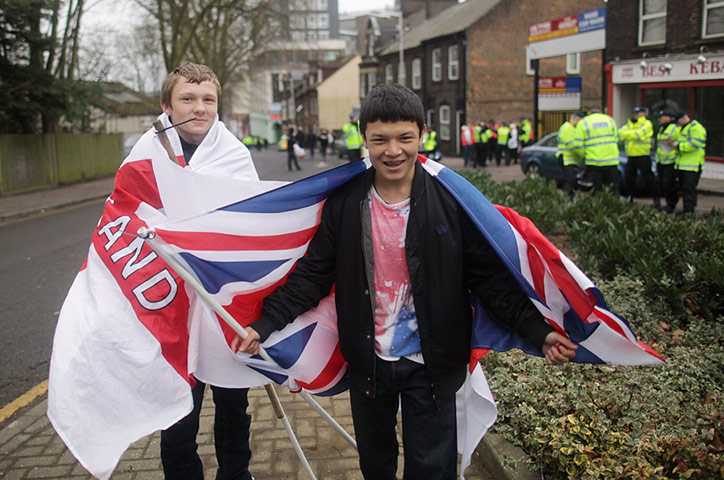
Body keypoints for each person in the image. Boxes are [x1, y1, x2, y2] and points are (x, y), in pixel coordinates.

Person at [233, 83, 577, 479]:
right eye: (379, 139)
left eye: (404, 138)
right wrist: (265, 323)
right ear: (364, 139)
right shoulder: (345, 203)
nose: (392, 150)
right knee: (376, 466)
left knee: (432, 468)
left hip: (432, 363)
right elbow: (312, 274)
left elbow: (489, 279)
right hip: (368, 363)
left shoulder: (450, 201)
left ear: (422, 135)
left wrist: (537, 331)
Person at [157, 62, 257, 480]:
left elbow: (254, 225)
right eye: (187, 98)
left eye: (208, 100)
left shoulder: (236, 156)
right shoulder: (147, 156)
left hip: (222, 302)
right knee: (179, 408)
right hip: (171, 304)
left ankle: (236, 474)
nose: (199, 108)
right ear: (166, 105)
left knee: (234, 405)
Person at [573, 105, 620, 195]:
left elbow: (578, 145)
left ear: (589, 113)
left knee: (597, 190)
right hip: (611, 161)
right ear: (601, 112)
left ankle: (599, 207)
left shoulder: (584, 122)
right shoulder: (610, 120)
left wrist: (584, 156)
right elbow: (616, 138)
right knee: (613, 189)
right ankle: (614, 207)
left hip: (594, 162)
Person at [619, 106, 658, 207]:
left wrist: (629, 134)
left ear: (643, 113)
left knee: (649, 179)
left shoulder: (647, 124)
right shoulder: (630, 123)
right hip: (631, 156)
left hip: (643, 156)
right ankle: (630, 199)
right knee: (629, 179)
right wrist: (631, 134)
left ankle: (656, 201)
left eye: (638, 113)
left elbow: (638, 135)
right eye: (635, 113)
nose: (636, 115)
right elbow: (620, 134)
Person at [671, 110, 707, 214]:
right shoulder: (682, 128)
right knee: (683, 188)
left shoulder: (696, 128)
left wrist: (678, 146)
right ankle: (686, 209)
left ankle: (689, 210)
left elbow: (695, 144)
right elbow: (674, 138)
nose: (677, 124)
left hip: (693, 165)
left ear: (684, 118)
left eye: (678, 121)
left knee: (689, 189)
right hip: (682, 164)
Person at [654, 110, 679, 212]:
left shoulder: (674, 128)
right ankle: (667, 204)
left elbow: (678, 142)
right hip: (661, 161)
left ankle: (671, 205)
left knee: (669, 184)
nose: (659, 119)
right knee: (663, 184)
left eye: (661, 117)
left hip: (671, 161)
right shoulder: (661, 128)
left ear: (668, 117)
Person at [557, 112, 585, 200]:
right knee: (569, 180)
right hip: (567, 159)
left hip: (569, 159)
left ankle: (569, 198)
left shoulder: (570, 128)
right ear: (577, 120)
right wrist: (584, 154)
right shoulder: (568, 128)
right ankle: (568, 199)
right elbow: (573, 145)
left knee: (570, 180)